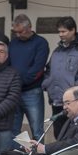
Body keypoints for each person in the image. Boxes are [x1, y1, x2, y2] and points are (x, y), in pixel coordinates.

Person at [42, 17, 78, 136]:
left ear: (73, 30)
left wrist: (75, 90)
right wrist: (47, 84)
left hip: (73, 102)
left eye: (64, 31)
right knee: (58, 134)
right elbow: (49, 69)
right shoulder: (57, 50)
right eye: (59, 31)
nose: (60, 34)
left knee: (72, 135)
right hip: (57, 100)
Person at [9, 14, 49, 146]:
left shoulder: (40, 43)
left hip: (32, 91)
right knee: (14, 131)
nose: (18, 35)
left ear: (29, 27)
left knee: (37, 130)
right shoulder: (13, 43)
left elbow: (37, 69)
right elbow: (8, 65)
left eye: (20, 32)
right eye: (16, 32)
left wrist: (18, 82)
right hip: (14, 93)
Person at [33, 86, 78, 155]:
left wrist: (44, 148)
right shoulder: (72, 117)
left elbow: (74, 144)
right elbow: (62, 142)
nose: (64, 107)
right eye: (64, 104)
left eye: (67, 103)